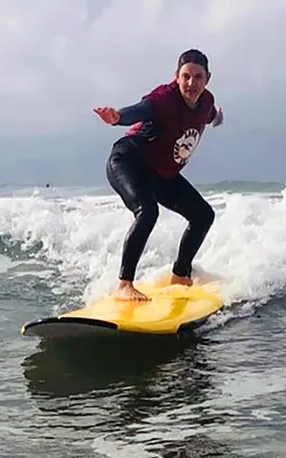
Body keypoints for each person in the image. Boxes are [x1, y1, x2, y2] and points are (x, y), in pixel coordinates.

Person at [93, 49, 224, 301]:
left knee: (203, 215)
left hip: (161, 174)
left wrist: (218, 117)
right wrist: (117, 117)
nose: (191, 83)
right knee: (147, 211)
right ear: (176, 76)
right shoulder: (165, 98)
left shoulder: (206, 101)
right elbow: (140, 110)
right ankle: (124, 285)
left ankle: (180, 275)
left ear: (207, 78)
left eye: (198, 77)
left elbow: (209, 115)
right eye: (185, 76)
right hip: (129, 161)